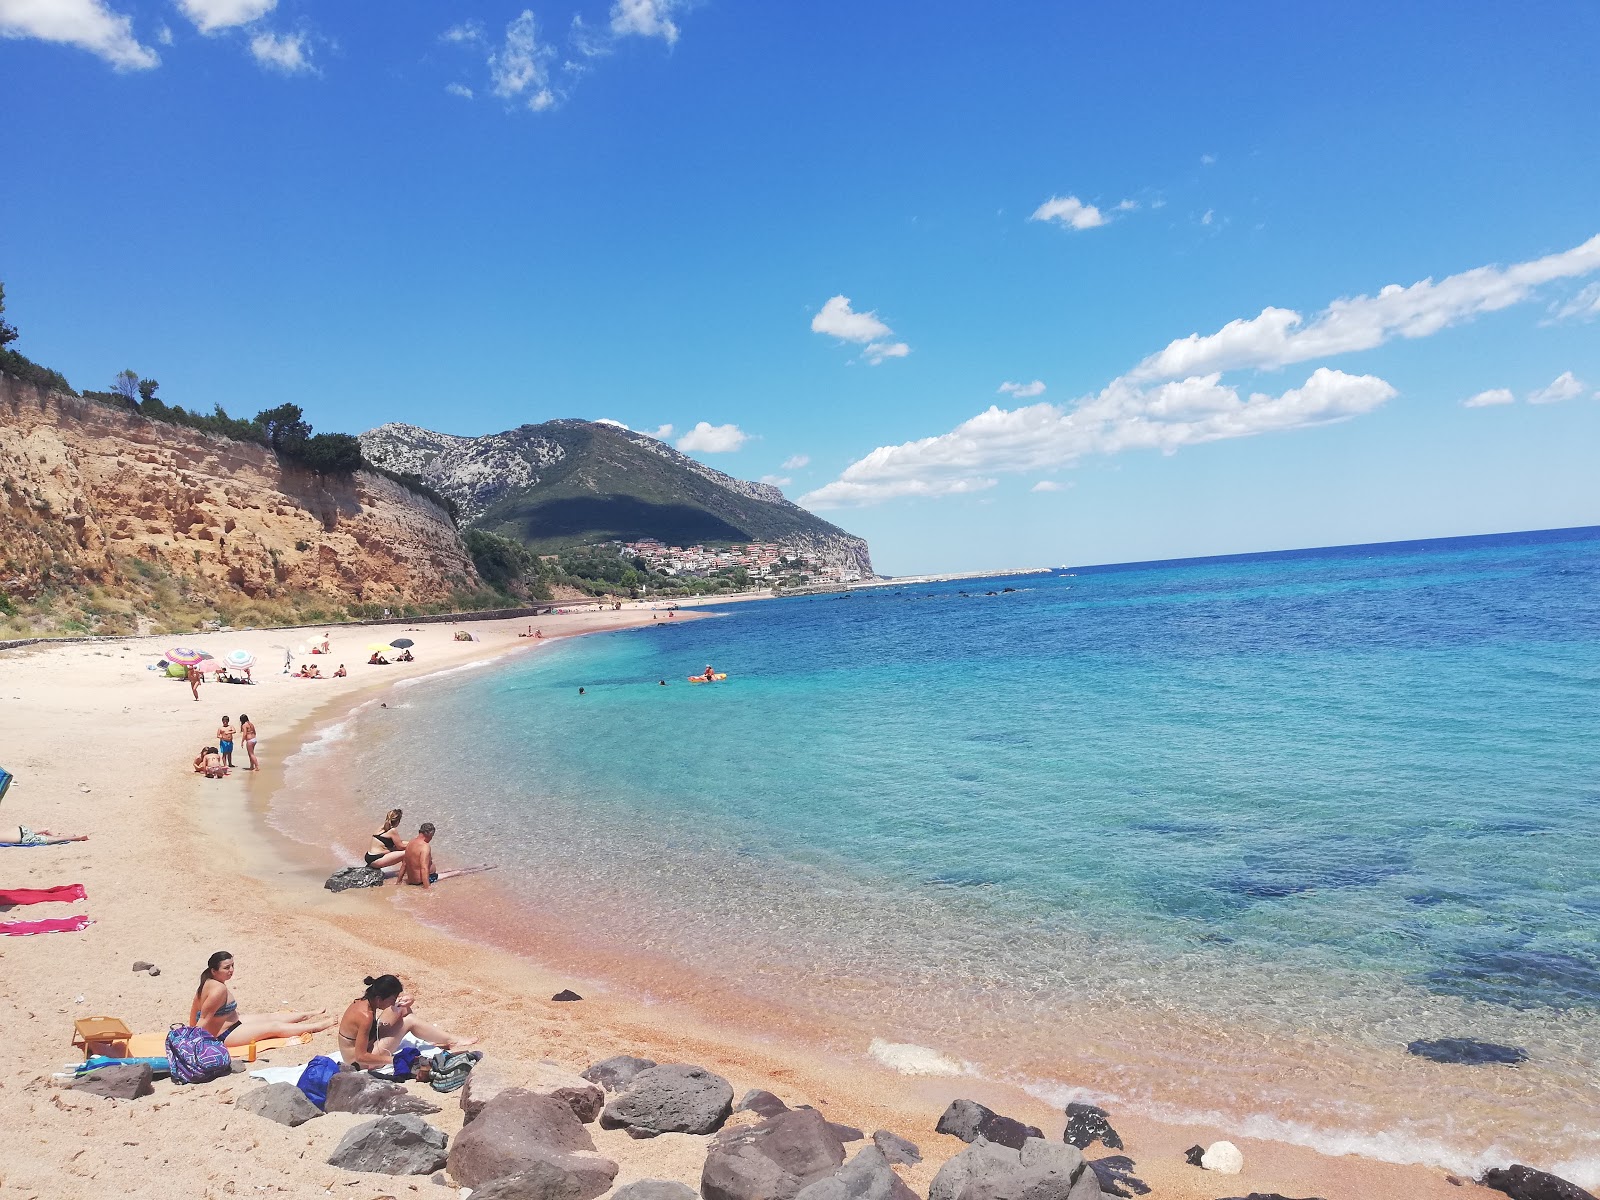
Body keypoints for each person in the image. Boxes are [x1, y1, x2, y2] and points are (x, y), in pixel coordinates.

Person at [191, 951, 336, 1046]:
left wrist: (190, 1027)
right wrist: (190, 1041)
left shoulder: (208, 982)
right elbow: (203, 1017)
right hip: (224, 1035)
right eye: (226, 968)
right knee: (273, 1027)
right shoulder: (218, 990)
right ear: (214, 971)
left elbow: (194, 1009)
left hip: (234, 1022)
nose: (231, 971)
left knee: (271, 1017)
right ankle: (317, 1026)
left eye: (232, 966)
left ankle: (309, 1014)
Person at [336, 975, 478, 1069]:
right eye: (392, 998)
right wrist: (393, 1060)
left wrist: (408, 1000)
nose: (394, 1001)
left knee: (403, 1010)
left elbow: (397, 1006)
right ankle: (451, 1040)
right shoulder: (365, 1016)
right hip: (359, 1062)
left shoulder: (364, 1001)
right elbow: (361, 1056)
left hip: (368, 1043)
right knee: (409, 1021)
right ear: (379, 998)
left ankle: (444, 1038)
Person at [397, 823, 437, 889]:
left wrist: (398, 881)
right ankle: (460, 872)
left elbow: (404, 864)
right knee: (453, 873)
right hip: (422, 881)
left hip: (411, 881)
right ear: (430, 834)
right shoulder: (425, 846)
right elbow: (424, 868)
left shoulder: (411, 843)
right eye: (432, 836)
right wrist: (427, 887)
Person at [5, 825, 88, 845]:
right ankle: (44, 830)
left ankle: (76, 837)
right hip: (20, 829)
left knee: (54, 840)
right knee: (25, 833)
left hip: (25, 838)